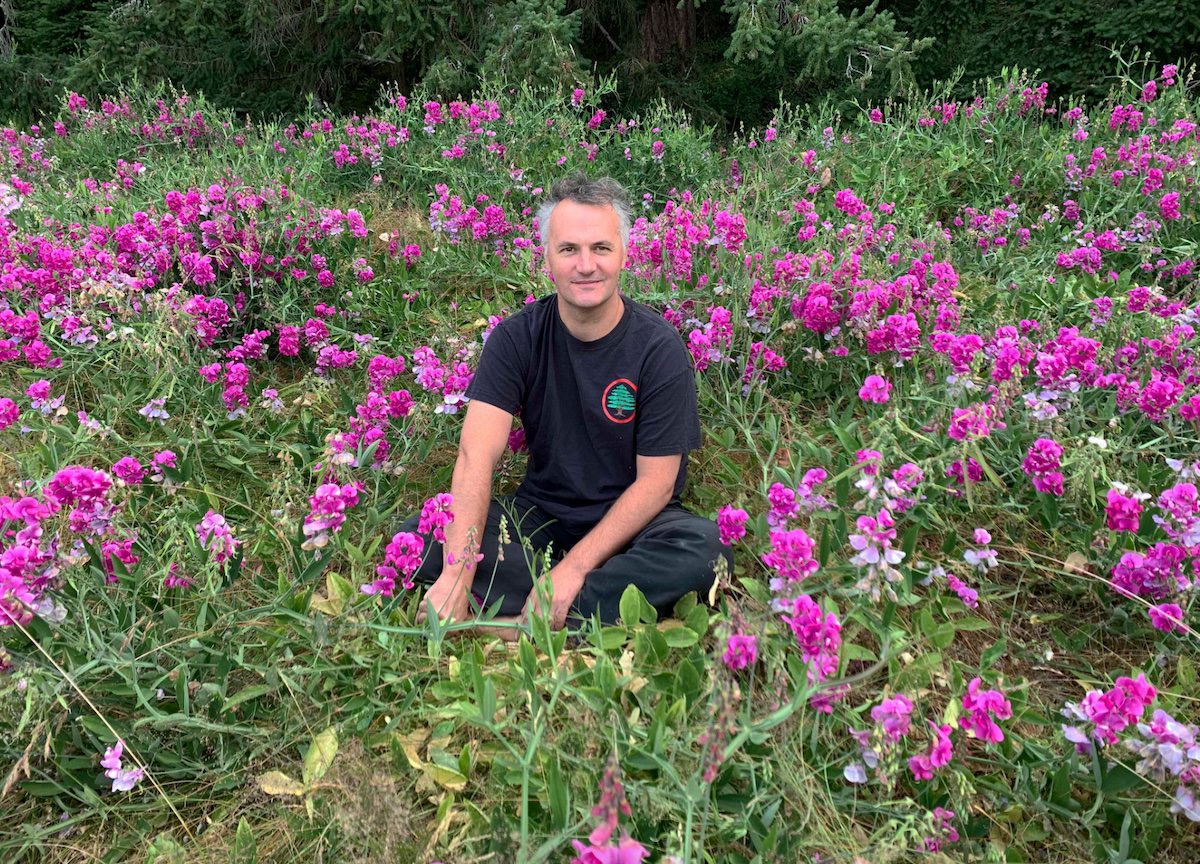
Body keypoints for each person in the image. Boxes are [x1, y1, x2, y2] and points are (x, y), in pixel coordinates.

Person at [401, 172, 728, 631]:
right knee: (415, 535)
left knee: (704, 548)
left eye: (600, 248)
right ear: (547, 257)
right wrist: (458, 568)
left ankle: (525, 612)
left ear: (624, 255)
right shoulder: (516, 337)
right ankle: (596, 610)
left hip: (633, 527)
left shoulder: (659, 347)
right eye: (569, 249)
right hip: (540, 516)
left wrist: (573, 569)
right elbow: (476, 453)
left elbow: (656, 485)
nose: (585, 265)